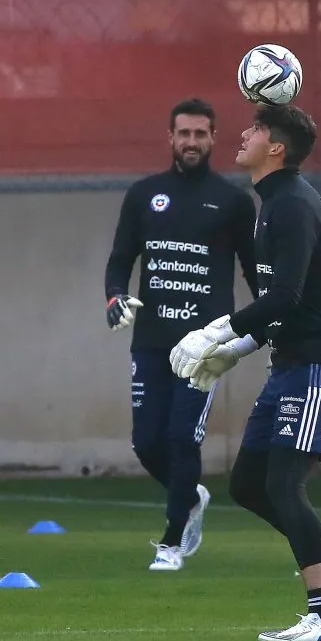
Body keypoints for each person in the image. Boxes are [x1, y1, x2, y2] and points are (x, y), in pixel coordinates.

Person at [168, 104, 321, 641]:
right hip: (289, 363)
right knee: (248, 486)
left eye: (256, 129)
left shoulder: (291, 205)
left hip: (317, 365)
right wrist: (236, 348)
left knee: (285, 484)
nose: (243, 135)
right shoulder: (271, 204)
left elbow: (284, 297)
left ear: (277, 147)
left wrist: (216, 332)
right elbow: (281, 303)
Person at [104, 98, 258, 572]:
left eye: (200, 134)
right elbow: (120, 261)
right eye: (183, 134)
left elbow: (257, 272)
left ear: (213, 139)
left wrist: (269, 324)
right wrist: (114, 297)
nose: (191, 142)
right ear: (169, 138)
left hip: (204, 348)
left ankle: (171, 543)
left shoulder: (233, 201)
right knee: (146, 443)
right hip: (150, 341)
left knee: (180, 438)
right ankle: (190, 496)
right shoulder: (144, 194)